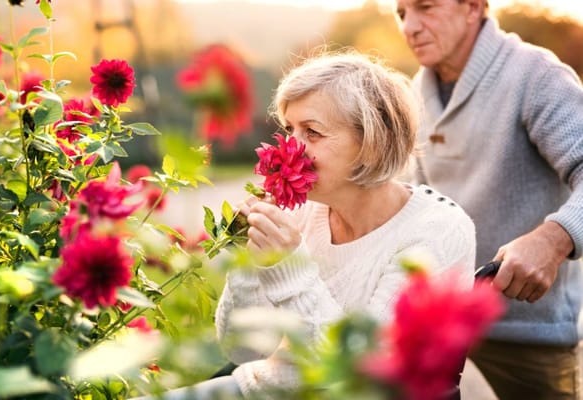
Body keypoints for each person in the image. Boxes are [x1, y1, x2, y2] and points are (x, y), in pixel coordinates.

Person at [133, 52, 476, 399]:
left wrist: (288, 266)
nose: (290, 148)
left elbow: (357, 375)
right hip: (265, 387)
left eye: (312, 132)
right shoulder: (301, 210)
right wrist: (249, 264)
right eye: (288, 129)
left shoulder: (437, 232)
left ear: (372, 145)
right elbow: (242, 350)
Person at [393, 0, 583, 398]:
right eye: (401, 13)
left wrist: (553, 238)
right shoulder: (415, 92)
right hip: (445, 319)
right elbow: (421, 205)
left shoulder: (535, 75)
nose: (410, 26)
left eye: (425, 7)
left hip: (529, 327)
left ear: (473, 7)